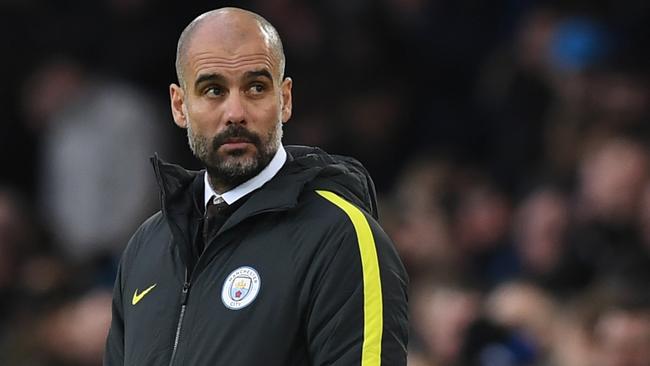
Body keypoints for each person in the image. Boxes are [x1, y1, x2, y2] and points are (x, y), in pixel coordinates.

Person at [103, 7, 409, 366]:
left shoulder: (340, 236)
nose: (235, 112)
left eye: (256, 87)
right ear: (179, 105)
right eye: (213, 90)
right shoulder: (145, 248)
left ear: (285, 100)